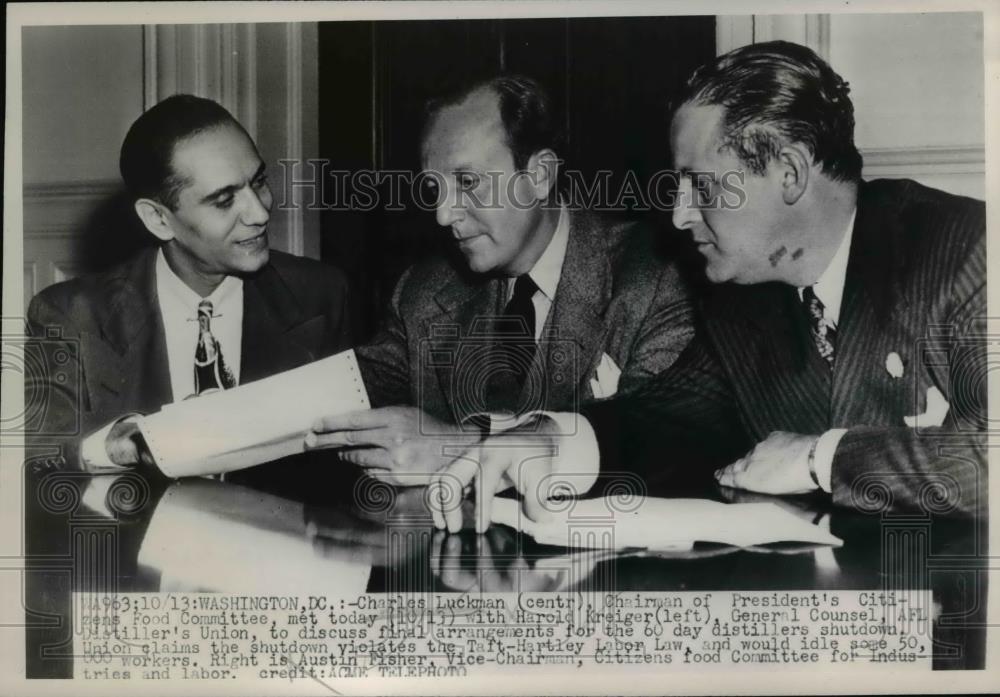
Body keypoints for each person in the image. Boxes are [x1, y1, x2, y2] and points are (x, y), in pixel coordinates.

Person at [431, 41, 986, 531]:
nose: (678, 215)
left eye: (700, 185)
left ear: (789, 173)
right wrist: (547, 439)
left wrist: (823, 459)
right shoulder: (743, 298)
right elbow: (670, 418)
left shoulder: (966, 249)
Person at [305, 74, 695, 486]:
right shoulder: (423, 290)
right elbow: (349, 392)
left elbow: (661, 442)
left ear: (540, 175)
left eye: (467, 183)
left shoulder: (659, 275)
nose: (443, 215)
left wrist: (457, 447)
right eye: (434, 189)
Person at [26, 94, 353, 470]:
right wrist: (127, 445)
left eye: (259, 181)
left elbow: (339, 467)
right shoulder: (71, 316)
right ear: (158, 219)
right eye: (224, 200)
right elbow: (39, 460)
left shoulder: (322, 295)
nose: (260, 212)